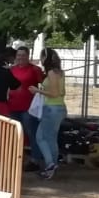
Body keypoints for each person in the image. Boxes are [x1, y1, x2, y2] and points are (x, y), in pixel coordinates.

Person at [33, 47, 67, 179]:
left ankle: (50, 164)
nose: (40, 60)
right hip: (59, 107)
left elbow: (54, 93)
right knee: (51, 138)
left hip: (51, 108)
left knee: (40, 137)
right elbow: (62, 92)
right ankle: (52, 164)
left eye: (42, 57)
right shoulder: (60, 73)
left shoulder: (51, 73)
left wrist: (37, 91)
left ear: (45, 58)